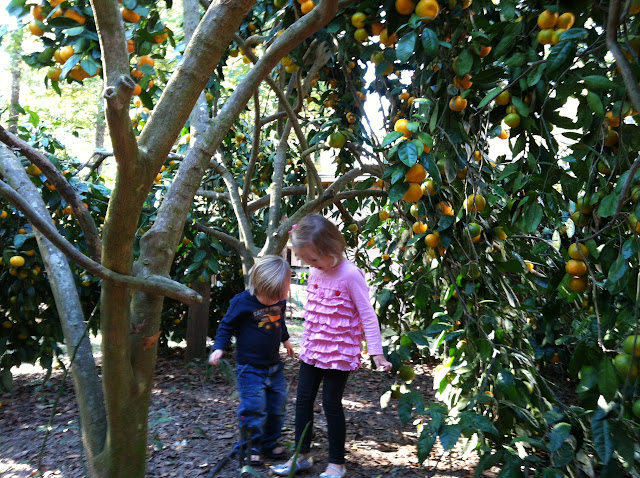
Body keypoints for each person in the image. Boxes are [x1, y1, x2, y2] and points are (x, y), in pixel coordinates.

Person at [272, 214, 392, 478]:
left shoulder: (350, 275)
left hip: (339, 353)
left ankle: (337, 463)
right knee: (303, 401)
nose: (310, 265)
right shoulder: (316, 271)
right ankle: (301, 455)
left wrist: (376, 352)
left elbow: (368, 315)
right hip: (313, 349)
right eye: (305, 260)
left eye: (313, 259)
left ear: (332, 248)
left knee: (331, 403)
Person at [209, 255, 295, 466]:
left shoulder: (279, 300)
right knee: (253, 408)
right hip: (250, 368)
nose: (274, 302)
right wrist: (219, 347)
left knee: (277, 406)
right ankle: (249, 447)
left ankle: (269, 442)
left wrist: (286, 340)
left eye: (279, 297)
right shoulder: (242, 302)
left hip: (274, 366)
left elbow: (279, 321)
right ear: (257, 286)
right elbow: (226, 326)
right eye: (270, 297)